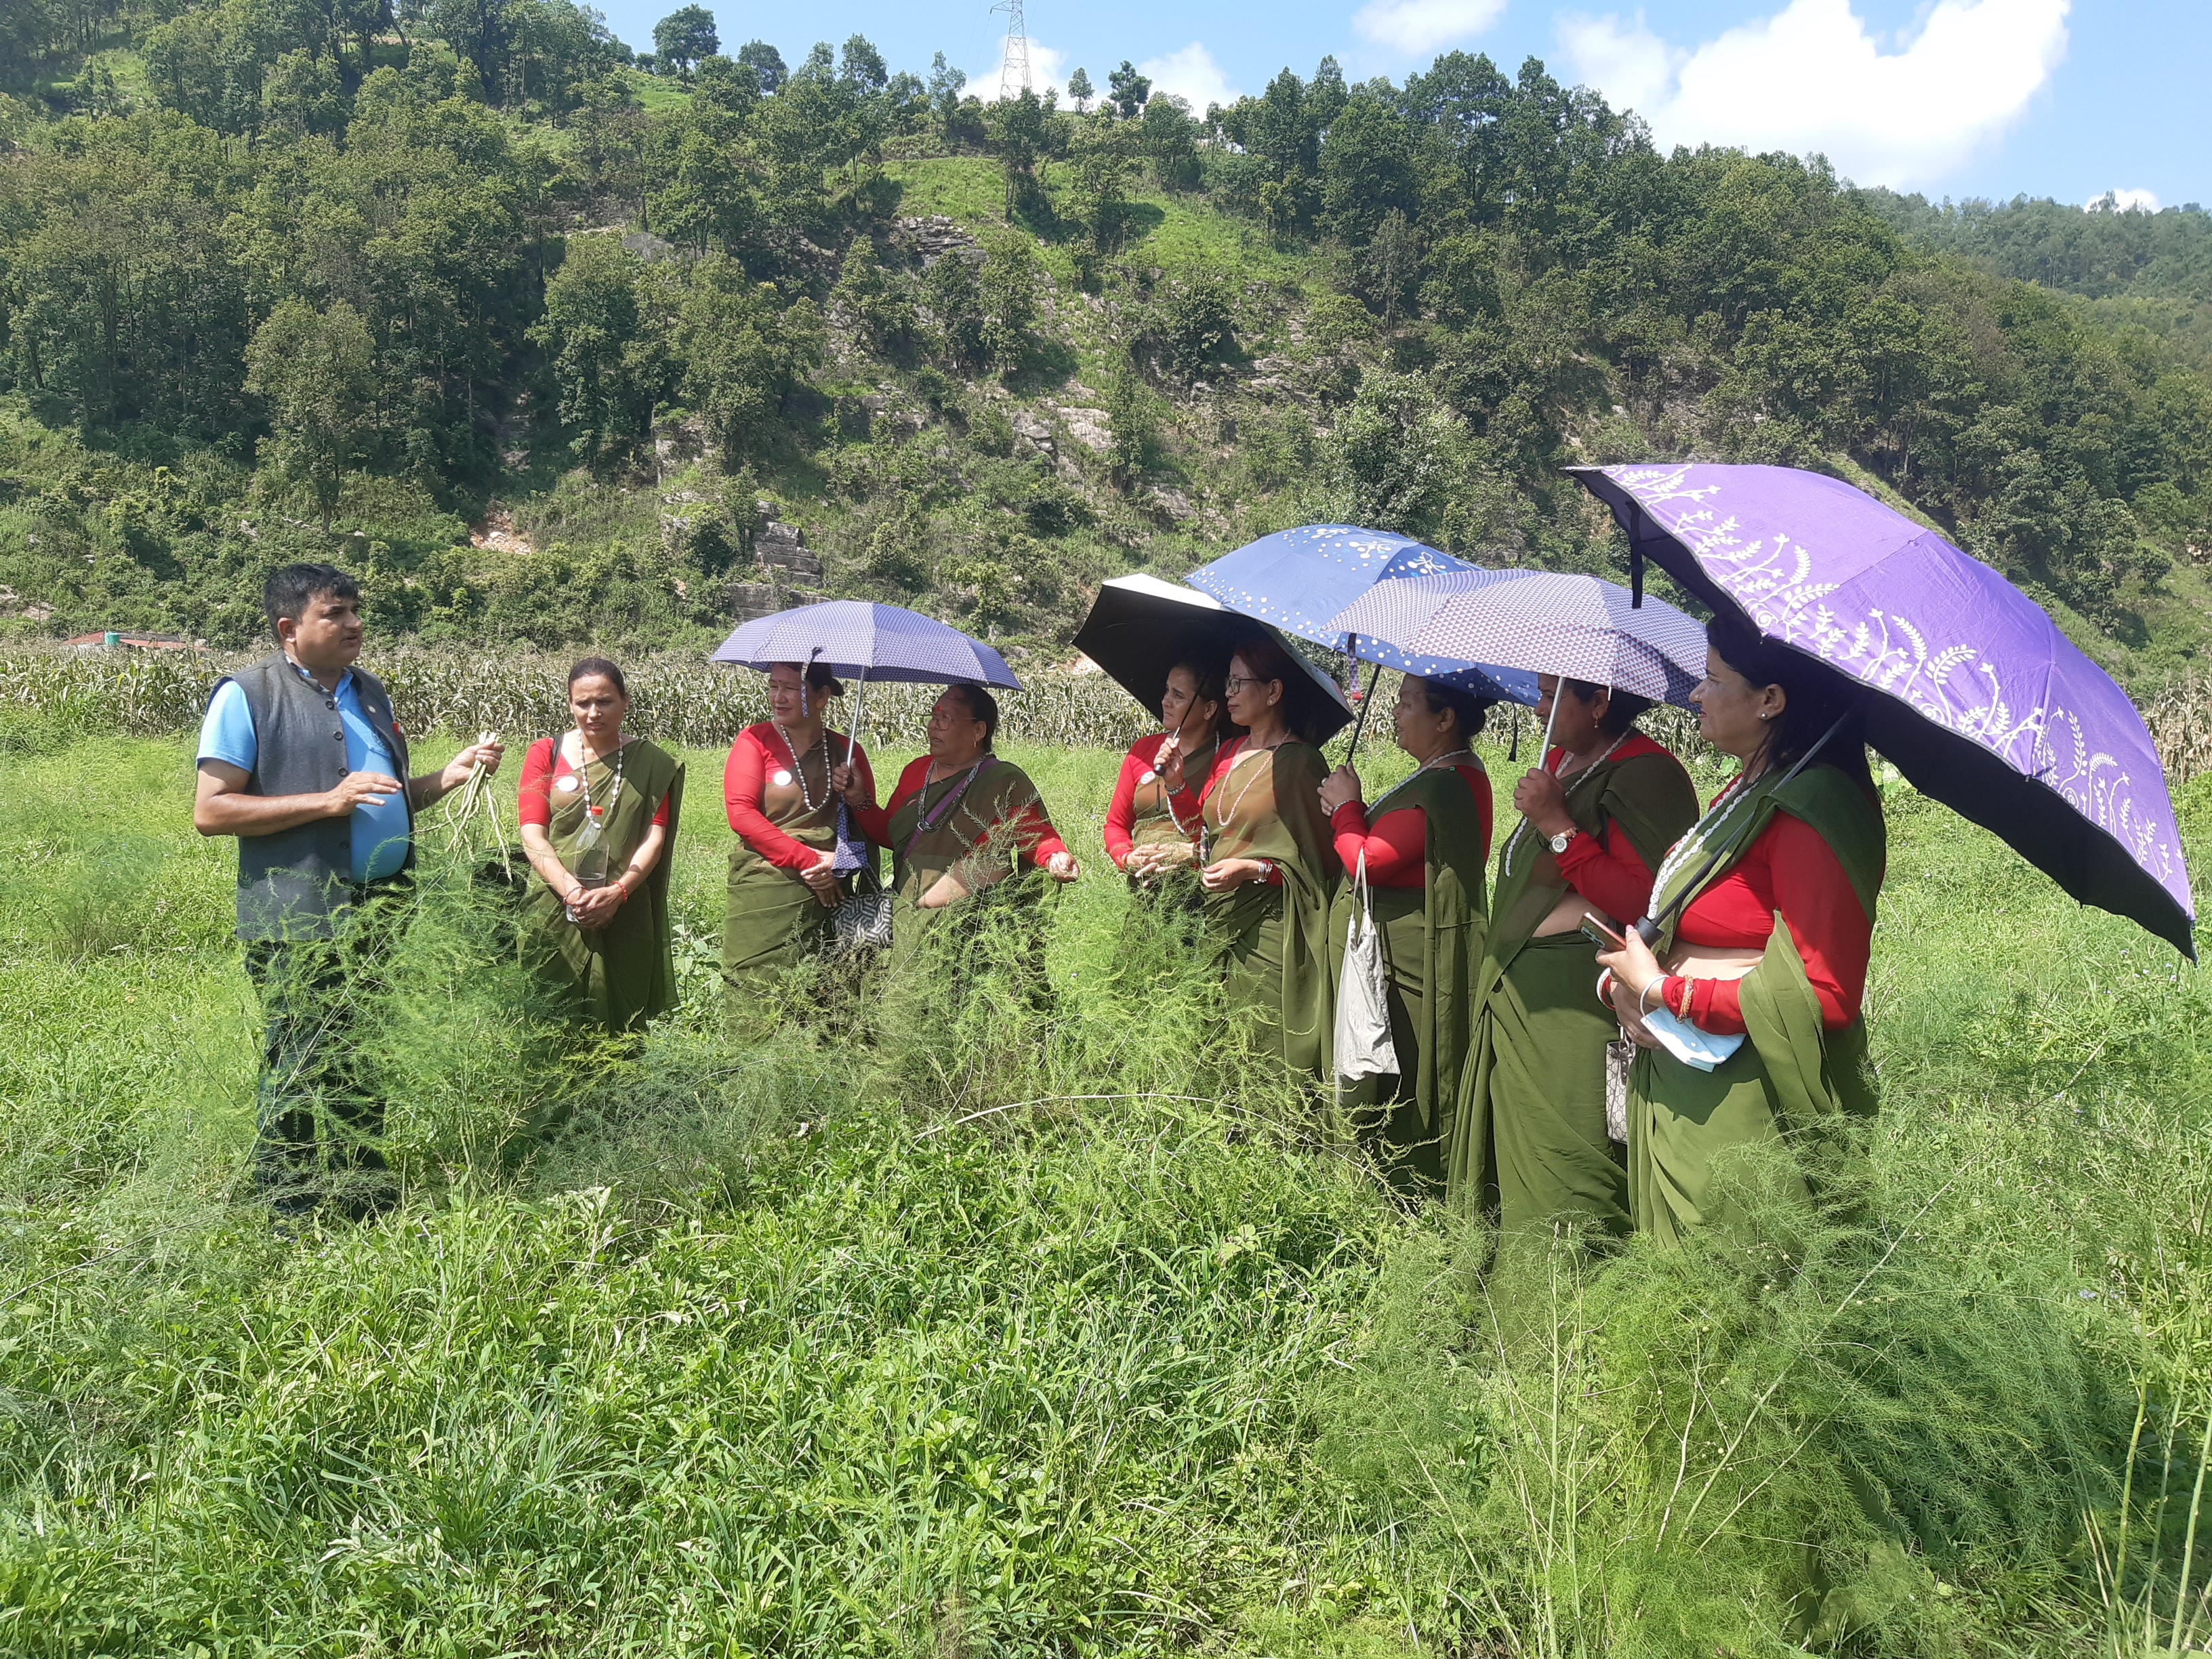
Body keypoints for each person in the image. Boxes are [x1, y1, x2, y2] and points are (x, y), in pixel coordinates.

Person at [194, 562, 503, 1219]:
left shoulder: (369, 692)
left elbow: (384, 801)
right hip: (296, 917)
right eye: (335, 613)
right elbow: (213, 812)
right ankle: (290, 1203)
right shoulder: (247, 696)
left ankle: (365, 1191)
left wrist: (446, 778)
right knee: (301, 1056)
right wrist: (326, 802)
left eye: (356, 610)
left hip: (380, 913)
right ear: (289, 628)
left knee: (366, 1056)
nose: (355, 624)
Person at [1595, 615, 1885, 1243]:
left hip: (1740, 1095)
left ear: (1770, 701)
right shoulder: (1751, 785)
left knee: (1733, 1286)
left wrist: (1665, 994)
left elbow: (1825, 994)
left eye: (1711, 678)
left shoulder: (1812, 805)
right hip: (1681, 1064)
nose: (1696, 694)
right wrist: (1627, 985)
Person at [1452, 674, 1700, 1237]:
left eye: (1551, 696)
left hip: (1574, 998)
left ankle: (1573, 1307)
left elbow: (1645, 899)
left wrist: (1556, 825)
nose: (1537, 709)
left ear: (1599, 704)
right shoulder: (1561, 760)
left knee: (1566, 1164)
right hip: (1522, 986)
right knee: (1513, 1163)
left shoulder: (1647, 773)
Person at [1318, 674, 1495, 1195]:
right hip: (1398, 956)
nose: (1396, 711)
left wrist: (1348, 809)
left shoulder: (1447, 782)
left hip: (1415, 964)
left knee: (1407, 1072)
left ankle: (1411, 1187)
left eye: (1408, 702)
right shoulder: (1437, 774)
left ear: (1445, 719)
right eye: (1396, 699)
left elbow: (1369, 862)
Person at [1196, 634, 1341, 1079]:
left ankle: (1278, 1140)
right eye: (1228, 683)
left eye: (1240, 684)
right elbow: (1220, 827)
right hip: (1217, 917)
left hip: (1270, 929)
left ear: (1274, 692)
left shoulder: (1300, 763)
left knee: (1264, 1047)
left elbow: (1320, 866)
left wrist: (1255, 870)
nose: (1229, 694)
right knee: (1217, 1042)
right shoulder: (1231, 752)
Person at [516, 658, 684, 1033]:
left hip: (625, 908)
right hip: (553, 906)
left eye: (605, 701)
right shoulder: (546, 753)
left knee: (621, 1024)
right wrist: (572, 891)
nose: (593, 713)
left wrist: (618, 893)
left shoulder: (651, 763)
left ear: (625, 702)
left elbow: (654, 838)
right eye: (582, 703)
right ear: (570, 704)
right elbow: (533, 834)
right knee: (550, 1015)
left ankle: (619, 1092)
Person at [836, 682, 1078, 940]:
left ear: (978, 730)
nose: (934, 725)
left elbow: (1036, 836)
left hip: (976, 927)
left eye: (946, 718)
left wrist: (1055, 857)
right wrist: (858, 798)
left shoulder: (1003, 781)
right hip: (911, 921)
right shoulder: (916, 772)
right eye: (933, 716)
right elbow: (893, 836)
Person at [721, 661, 876, 991]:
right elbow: (741, 815)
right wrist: (808, 861)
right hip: (765, 888)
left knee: (822, 994)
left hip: (831, 894)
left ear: (821, 697)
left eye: (790, 688)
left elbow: (872, 832)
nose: (778, 697)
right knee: (755, 991)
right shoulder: (755, 741)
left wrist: (856, 796)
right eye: (774, 686)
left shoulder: (846, 752)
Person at [1103, 660, 1229, 886]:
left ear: (1209, 709)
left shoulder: (1227, 758)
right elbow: (1116, 824)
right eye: (1166, 690)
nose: (1165, 701)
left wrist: (1176, 786)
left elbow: (1215, 836)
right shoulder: (1142, 751)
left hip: (1199, 887)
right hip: (1142, 888)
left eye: (1178, 696)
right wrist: (1127, 857)